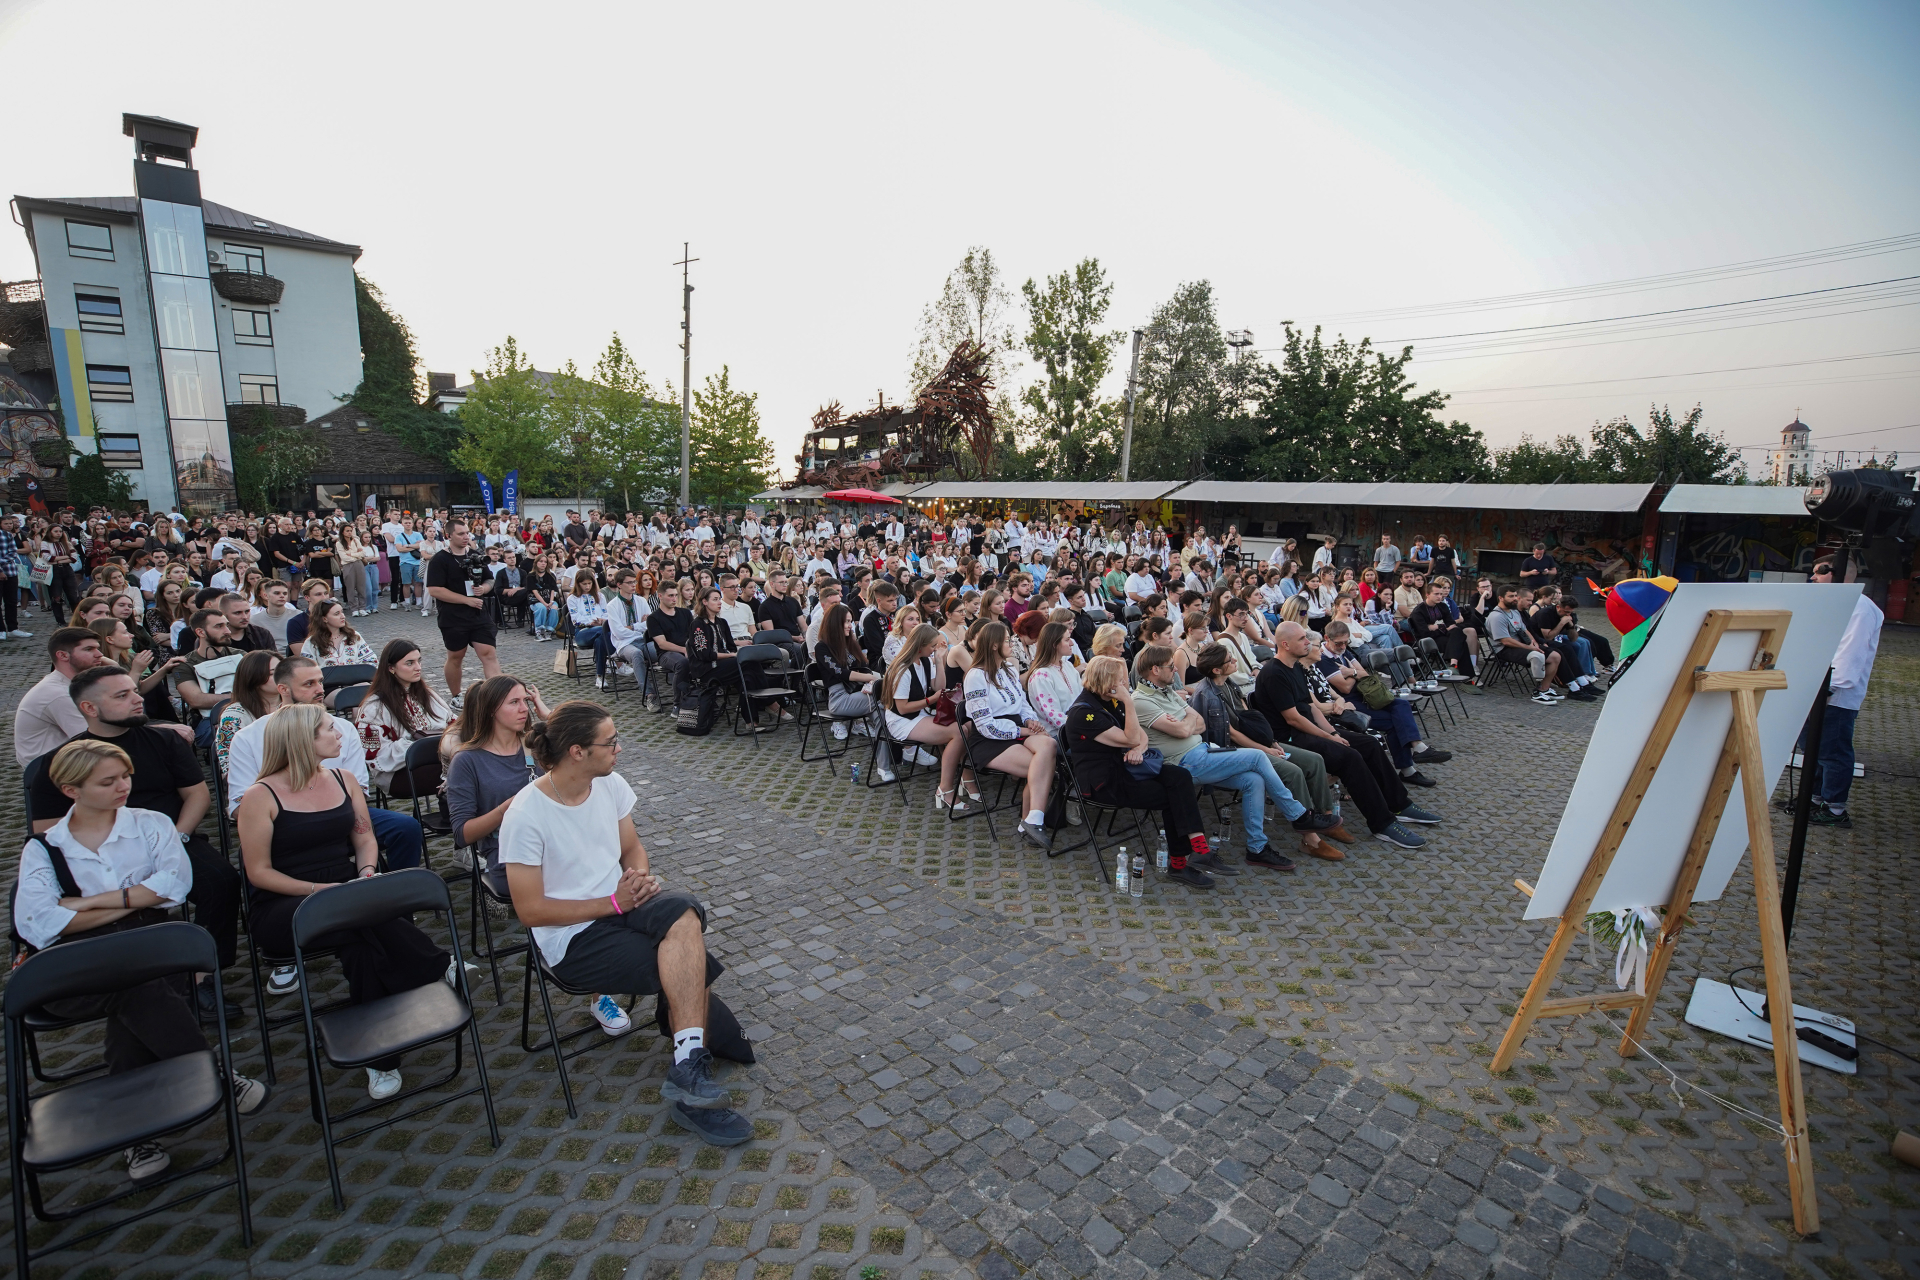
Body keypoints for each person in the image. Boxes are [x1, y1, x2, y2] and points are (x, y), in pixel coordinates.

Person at [498, 701, 753, 1146]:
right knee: (687, 965)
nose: (619, 747)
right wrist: (612, 902)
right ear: (577, 751)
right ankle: (690, 1082)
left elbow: (632, 848)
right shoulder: (525, 816)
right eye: (610, 741)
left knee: (686, 909)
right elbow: (530, 912)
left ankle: (687, 1064)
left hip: (619, 902)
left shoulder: (609, 784)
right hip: (573, 937)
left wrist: (635, 877)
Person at [15, 739, 270, 1181]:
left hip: (147, 953)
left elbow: (174, 887)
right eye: (108, 781)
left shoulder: (151, 824)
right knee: (142, 986)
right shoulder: (44, 848)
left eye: (125, 776)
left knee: (136, 992)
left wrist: (82, 903)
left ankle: (138, 1137)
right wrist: (133, 900)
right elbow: (38, 923)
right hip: (75, 970)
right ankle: (214, 1074)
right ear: (70, 790)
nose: (123, 787)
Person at [237, 705, 450, 1101]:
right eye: (328, 730)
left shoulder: (343, 778)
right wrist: (324, 892)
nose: (339, 735)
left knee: (362, 945)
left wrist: (367, 872)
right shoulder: (259, 796)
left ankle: (378, 1055)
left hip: (347, 892)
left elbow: (365, 838)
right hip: (285, 902)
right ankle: (436, 965)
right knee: (360, 917)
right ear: (302, 741)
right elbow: (259, 873)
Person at [27, 666, 245, 1022]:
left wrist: (176, 837)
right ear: (89, 709)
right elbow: (48, 833)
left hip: (173, 835)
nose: (137, 698)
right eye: (122, 695)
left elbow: (196, 796)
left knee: (221, 881)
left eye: (134, 690)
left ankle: (201, 976)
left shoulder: (164, 741)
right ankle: (141, 973)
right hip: (96, 853)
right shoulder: (63, 762)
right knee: (126, 906)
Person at [1133, 644, 1333, 873]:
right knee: (1258, 757)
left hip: (1203, 752)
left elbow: (1200, 723)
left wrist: (1185, 720)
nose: (1177, 671)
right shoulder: (1140, 700)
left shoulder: (1166, 691)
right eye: (1171, 667)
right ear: (1155, 670)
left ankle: (1257, 848)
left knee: (1253, 780)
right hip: (1184, 763)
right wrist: (1186, 722)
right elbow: (1183, 731)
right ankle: (1298, 814)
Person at [1252, 622, 1437, 849]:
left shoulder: (1297, 668)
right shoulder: (1273, 673)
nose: (1307, 642)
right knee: (1350, 757)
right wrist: (1330, 738)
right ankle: (1382, 823)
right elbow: (1293, 718)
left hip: (1309, 728)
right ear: (1285, 644)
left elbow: (1310, 708)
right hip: (1289, 737)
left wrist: (1332, 732)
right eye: (1302, 639)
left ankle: (1400, 804)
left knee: (1369, 744)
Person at [1063, 656, 1220, 888]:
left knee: (1179, 776)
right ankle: (1179, 864)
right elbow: (1132, 735)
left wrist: (1138, 747)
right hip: (1104, 783)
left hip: (1127, 769)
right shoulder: (1084, 713)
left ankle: (1199, 846)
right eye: (1122, 680)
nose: (1127, 684)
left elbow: (1141, 736)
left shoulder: (1110, 701)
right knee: (1172, 797)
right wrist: (1128, 705)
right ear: (1107, 682)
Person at [960, 623, 1058, 850]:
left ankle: (1032, 819)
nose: (1011, 643)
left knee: (1049, 745)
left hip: (1016, 728)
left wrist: (1030, 720)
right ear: (994, 645)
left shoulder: (1009, 670)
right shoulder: (975, 676)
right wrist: (1023, 730)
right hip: (989, 738)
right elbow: (985, 725)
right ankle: (1031, 822)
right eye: (1006, 640)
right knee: (1042, 765)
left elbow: (1022, 703)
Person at [446, 675, 552, 875]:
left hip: (552, 838)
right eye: (514, 702)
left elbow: (586, 740)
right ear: (491, 710)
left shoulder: (535, 744)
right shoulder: (467, 761)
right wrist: (507, 808)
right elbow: (462, 834)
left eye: (525, 701)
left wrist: (548, 716)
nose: (523, 709)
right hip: (508, 851)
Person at [1804, 558, 1882, 829]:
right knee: (1812, 747)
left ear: (1839, 575)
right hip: (1816, 689)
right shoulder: (1833, 605)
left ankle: (1835, 808)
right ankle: (1814, 799)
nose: (1813, 578)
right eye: (1813, 572)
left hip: (1835, 695)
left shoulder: (1859, 609)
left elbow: (1851, 654)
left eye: (1821, 572)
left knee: (1832, 751)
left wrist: (1829, 687)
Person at [881, 624, 974, 810]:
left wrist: (939, 661)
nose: (934, 649)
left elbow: (939, 687)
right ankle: (945, 789)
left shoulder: (923, 661)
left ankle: (965, 778)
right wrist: (930, 699)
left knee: (967, 726)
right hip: (902, 721)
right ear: (920, 646)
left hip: (918, 715)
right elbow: (903, 708)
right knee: (958, 732)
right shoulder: (902, 669)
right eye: (932, 646)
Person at [357, 638, 456, 794]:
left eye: (419, 661)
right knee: (465, 774)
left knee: (472, 765)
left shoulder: (428, 695)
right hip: (398, 774)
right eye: (409, 663)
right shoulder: (374, 707)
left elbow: (455, 725)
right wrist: (420, 746)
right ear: (391, 668)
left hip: (439, 764)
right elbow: (374, 756)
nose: (418, 668)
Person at [426, 520, 502, 709]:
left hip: (478, 614)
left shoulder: (476, 556)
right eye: (461, 534)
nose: (466, 536)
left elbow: (489, 580)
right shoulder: (440, 559)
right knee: (456, 656)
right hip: (453, 617)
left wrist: (483, 589)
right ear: (448, 535)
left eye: (467, 533)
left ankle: (498, 696)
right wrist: (465, 599)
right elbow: (434, 590)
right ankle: (456, 696)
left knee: (489, 653)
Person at [16, 627, 107, 767]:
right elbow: (95, 741)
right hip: (52, 774)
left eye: (97, 648)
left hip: (67, 764)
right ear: (63, 655)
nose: (99, 654)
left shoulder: (70, 685)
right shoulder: (57, 693)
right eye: (89, 649)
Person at [815, 601, 883, 751]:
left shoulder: (848, 643)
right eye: (846, 622)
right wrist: (873, 679)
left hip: (857, 693)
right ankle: (898, 746)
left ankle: (887, 744)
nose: (850, 625)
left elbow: (863, 668)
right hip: (840, 699)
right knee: (886, 696)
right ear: (834, 623)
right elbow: (840, 673)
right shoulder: (822, 647)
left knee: (884, 705)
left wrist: (873, 679)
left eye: (851, 621)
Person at [1485, 585, 1564, 703]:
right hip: (1504, 649)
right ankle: (1537, 694)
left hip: (1522, 645)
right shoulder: (1496, 616)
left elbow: (1525, 630)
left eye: (1515, 595)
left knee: (1555, 656)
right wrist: (1529, 647)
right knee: (1537, 656)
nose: (1515, 599)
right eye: (1511, 596)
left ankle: (1544, 689)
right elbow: (1505, 640)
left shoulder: (1515, 612)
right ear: (1501, 598)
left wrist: (1534, 643)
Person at [214, 650, 279, 776]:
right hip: (258, 784)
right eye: (273, 674)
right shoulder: (233, 717)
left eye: (283, 671)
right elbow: (230, 769)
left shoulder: (297, 706)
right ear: (253, 678)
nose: (282, 677)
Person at [1024, 621, 1083, 730]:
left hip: (1080, 724)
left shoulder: (1067, 665)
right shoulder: (1041, 676)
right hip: (1061, 734)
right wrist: (1084, 727)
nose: (1072, 643)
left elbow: (1083, 696)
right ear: (1054, 644)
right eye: (1067, 640)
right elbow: (1054, 716)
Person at [301, 598, 378, 668]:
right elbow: (306, 670)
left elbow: (372, 661)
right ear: (324, 619)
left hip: (356, 682)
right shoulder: (312, 642)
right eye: (337, 614)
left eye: (342, 612)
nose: (343, 616)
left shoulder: (353, 636)